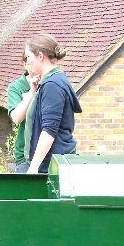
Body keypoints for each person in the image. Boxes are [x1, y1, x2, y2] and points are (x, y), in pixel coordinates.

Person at [23, 34, 82, 175]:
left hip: (53, 167)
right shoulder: (52, 81)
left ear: (40, 56)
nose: (27, 62)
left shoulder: (53, 85)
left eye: (28, 57)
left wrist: (33, 167)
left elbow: (49, 131)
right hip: (53, 163)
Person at [7, 58, 38, 173]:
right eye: (31, 63)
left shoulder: (51, 82)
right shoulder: (16, 87)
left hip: (52, 153)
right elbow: (17, 118)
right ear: (25, 64)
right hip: (26, 155)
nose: (35, 67)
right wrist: (31, 92)